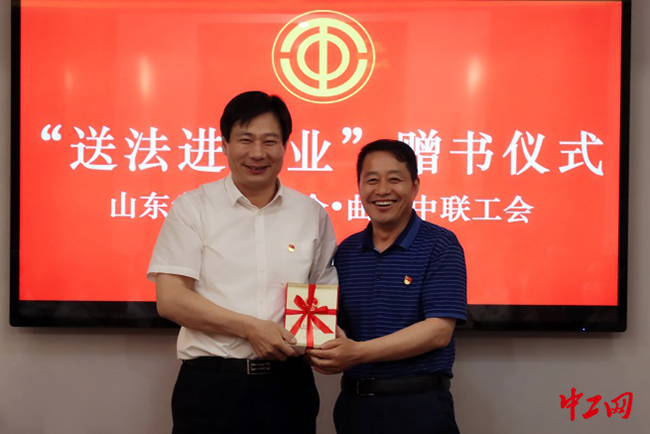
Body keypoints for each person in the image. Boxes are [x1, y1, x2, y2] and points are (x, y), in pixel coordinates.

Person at [147, 91, 338, 434]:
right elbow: (171, 299)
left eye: (270, 141)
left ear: (285, 146)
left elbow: (320, 296)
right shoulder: (193, 208)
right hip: (212, 386)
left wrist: (330, 341)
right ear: (225, 144)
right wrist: (251, 328)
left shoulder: (310, 214)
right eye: (245, 140)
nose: (257, 153)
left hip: (288, 387)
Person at [308, 139, 467, 434]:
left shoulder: (441, 244)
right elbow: (336, 324)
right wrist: (322, 343)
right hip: (355, 407)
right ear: (359, 187)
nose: (382, 190)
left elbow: (438, 332)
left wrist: (357, 352)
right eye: (372, 180)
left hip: (419, 407)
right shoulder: (347, 251)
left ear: (415, 186)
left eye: (394, 179)